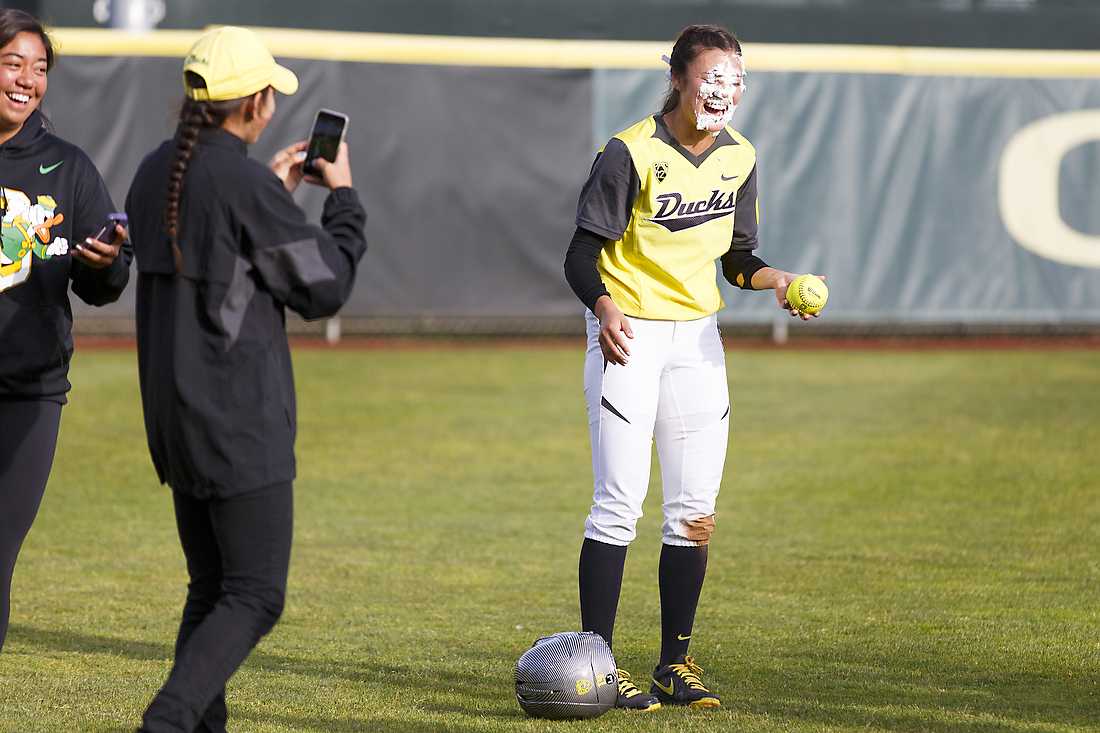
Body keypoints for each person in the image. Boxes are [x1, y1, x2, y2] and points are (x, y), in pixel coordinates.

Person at [564, 24, 823, 711]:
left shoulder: (740, 155)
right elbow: (579, 255)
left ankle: (673, 665)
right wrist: (604, 306)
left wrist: (779, 279)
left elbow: (738, 259)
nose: (723, 92)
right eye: (711, 79)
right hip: (629, 335)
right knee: (618, 501)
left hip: (698, 340)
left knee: (695, 512)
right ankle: (598, 663)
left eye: (734, 82)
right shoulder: (630, 151)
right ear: (678, 78)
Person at [124, 26, 367, 732]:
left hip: (174, 417)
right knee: (255, 593)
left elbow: (224, 252)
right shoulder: (240, 183)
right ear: (257, 103)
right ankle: (164, 722)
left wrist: (276, 193)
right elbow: (324, 285)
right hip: (234, 419)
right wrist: (341, 196)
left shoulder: (154, 169)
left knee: (211, 589)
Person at [0, 9, 130, 653]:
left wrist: (110, 263)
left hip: (28, 393)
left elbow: (102, 282)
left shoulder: (67, 167)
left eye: (40, 67)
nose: (27, 79)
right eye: (13, 62)